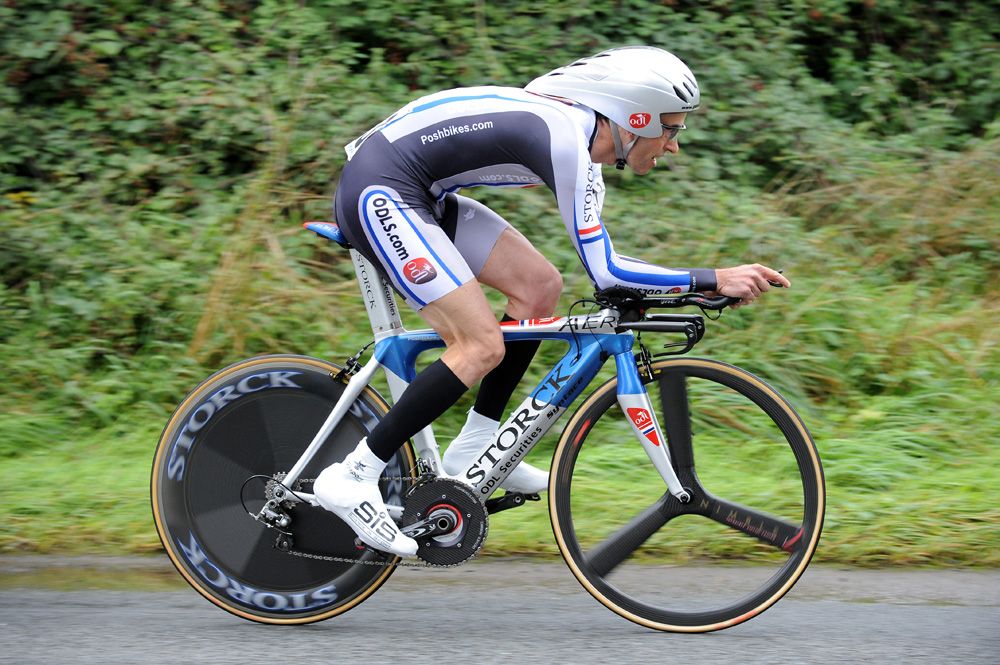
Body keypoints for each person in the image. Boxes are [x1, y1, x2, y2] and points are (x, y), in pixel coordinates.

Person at [313, 46, 790, 556]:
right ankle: (353, 474)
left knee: (539, 288)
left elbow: (607, 268)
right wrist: (711, 277)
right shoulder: (565, 139)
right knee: (480, 345)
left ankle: (475, 442)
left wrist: (698, 283)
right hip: (381, 190)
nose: (673, 145)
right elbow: (608, 274)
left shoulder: (578, 144)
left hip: (419, 192)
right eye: (670, 129)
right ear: (634, 118)